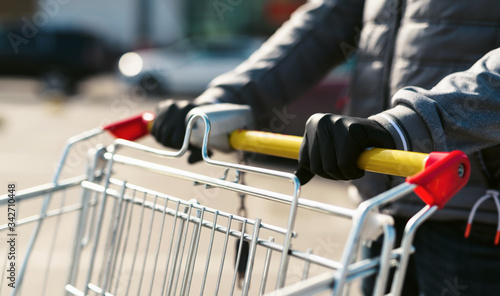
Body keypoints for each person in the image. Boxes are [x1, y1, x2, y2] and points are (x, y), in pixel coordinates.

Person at [151, 0, 500, 295]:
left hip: (480, 220)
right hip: (383, 214)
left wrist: (410, 125)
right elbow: (324, 25)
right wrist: (220, 103)